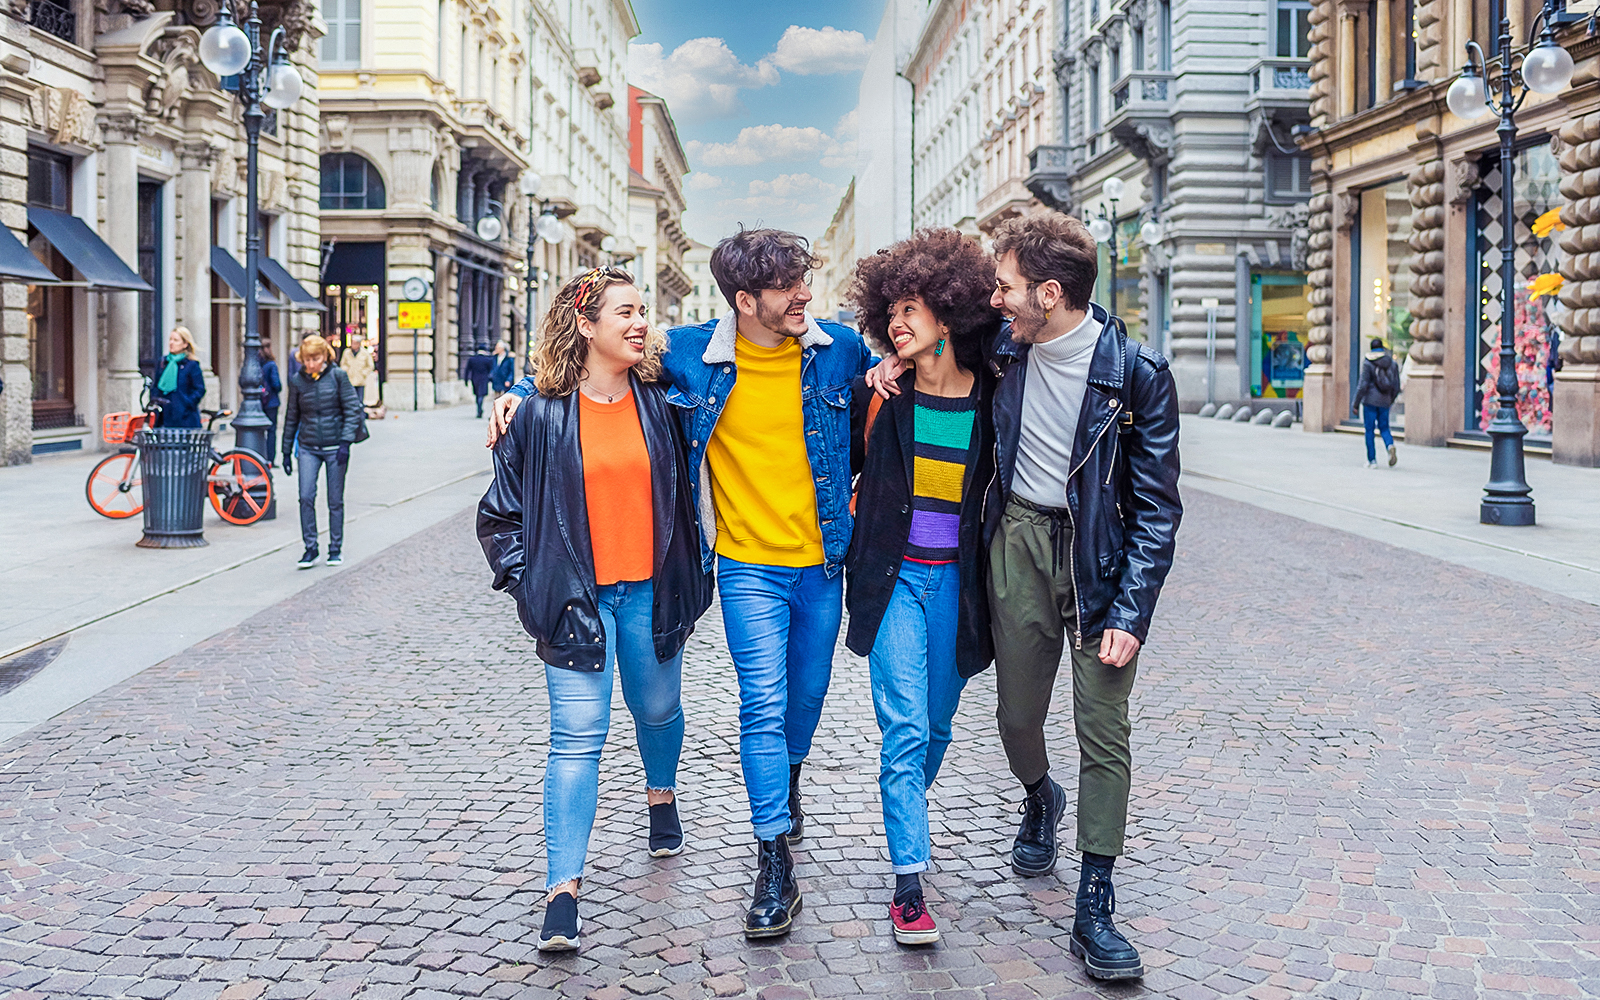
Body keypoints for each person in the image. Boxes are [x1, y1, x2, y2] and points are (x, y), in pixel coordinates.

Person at [493, 228, 876, 940]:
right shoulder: (695, 359)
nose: (806, 296)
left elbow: (891, 390)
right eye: (790, 286)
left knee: (790, 703)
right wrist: (518, 391)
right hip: (741, 566)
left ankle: (759, 784)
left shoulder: (841, 351)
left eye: (805, 281)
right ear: (745, 300)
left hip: (820, 564)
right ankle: (766, 861)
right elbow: (579, 365)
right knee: (753, 705)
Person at [867, 210, 1182, 981]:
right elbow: (921, 340)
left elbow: (1157, 509)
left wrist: (1131, 613)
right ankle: (1039, 795)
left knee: (1103, 728)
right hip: (1014, 546)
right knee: (1015, 718)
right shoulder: (1002, 348)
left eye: (1005, 287)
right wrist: (888, 362)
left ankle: (1094, 902)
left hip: (1097, 564)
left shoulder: (1136, 376)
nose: (994, 298)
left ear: (1048, 292)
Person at [477, 267, 712, 952]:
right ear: (586, 325)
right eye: (625, 313)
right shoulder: (541, 415)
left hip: (652, 591)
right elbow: (501, 516)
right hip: (576, 602)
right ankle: (562, 892)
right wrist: (533, 586)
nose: (641, 323)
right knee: (577, 735)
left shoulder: (667, 400)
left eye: (643, 312)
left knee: (658, 709)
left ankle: (660, 795)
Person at [844, 229, 1000, 945]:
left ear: (949, 309)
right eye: (891, 312)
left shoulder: (998, 397)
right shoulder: (877, 398)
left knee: (935, 728)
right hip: (895, 580)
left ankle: (908, 807)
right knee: (904, 728)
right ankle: (910, 879)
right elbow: (828, 465)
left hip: (960, 590)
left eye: (913, 309)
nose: (899, 323)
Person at [283, 335, 363, 570]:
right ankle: (310, 548)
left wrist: (345, 443)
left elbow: (352, 410)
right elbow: (291, 417)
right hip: (308, 446)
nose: (310, 365)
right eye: (307, 360)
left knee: (334, 500)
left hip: (334, 446)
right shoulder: (298, 381)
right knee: (306, 496)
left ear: (325, 357)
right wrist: (285, 451)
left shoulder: (338, 377)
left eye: (315, 359)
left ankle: (335, 548)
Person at [1352, 336, 1400, 468]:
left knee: (1369, 430)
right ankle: (1389, 445)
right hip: (1385, 401)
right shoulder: (1391, 363)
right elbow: (1396, 385)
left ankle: (1372, 460)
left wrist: (1355, 404)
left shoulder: (1368, 362)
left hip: (1370, 402)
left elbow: (1363, 385)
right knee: (1384, 427)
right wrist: (1390, 400)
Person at [150, 327, 206, 429]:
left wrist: (186, 404)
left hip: (185, 418)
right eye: (170, 339)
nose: (171, 343)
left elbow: (199, 389)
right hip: (163, 418)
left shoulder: (191, 364)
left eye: (176, 340)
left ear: (185, 344)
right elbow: (156, 385)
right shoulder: (163, 362)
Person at [340, 335, 378, 408]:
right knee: (350, 399)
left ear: (358, 344)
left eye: (354, 343)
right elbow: (343, 364)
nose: (352, 345)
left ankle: (359, 414)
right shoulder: (347, 352)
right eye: (352, 343)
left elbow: (370, 365)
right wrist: (346, 371)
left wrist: (364, 373)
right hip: (349, 379)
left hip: (360, 380)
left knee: (360, 400)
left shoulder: (365, 353)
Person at [260, 341, 282, 464]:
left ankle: (261, 456)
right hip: (271, 402)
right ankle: (270, 459)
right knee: (271, 431)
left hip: (260, 402)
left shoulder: (257, 364)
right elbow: (277, 384)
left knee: (261, 430)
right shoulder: (271, 365)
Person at [465, 349, 494, 418]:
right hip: (484, 379)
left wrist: (466, 380)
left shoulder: (472, 359)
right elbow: (491, 370)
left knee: (477, 394)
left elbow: (467, 370)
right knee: (481, 395)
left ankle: (479, 409)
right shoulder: (487, 360)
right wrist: (491, 379)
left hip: (474, 379)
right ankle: (480, 409)